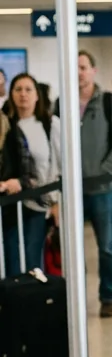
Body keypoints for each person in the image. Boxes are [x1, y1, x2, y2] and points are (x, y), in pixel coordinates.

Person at [76, 50, 112, 318]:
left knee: (106, 245)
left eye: (83, 67)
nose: (78, 72)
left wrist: (105, 173)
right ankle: (76, 296)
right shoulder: (62, 103)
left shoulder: (110, 102)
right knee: (74, 249)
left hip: (103, 189)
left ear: (93, 71)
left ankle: (108, 296)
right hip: (73, 190)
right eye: (75, 67)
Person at [0, 75, 60, 273]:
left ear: (37, 95)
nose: (23, 94)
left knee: (34, 260)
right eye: (18, 89)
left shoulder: (50, 124)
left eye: (28, 89)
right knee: (13, 262)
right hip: (11, 205)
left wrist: (56, 204)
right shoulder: (5, 125)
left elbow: (58, 167)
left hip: (41, 204)